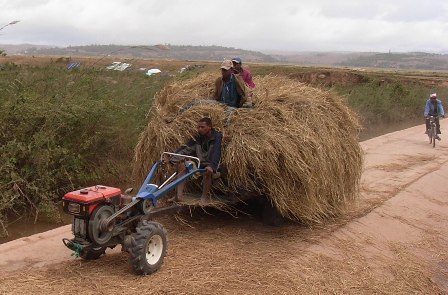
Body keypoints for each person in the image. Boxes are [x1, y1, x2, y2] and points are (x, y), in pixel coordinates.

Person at [166, 117, 222, 204]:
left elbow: (216, 152)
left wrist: (212, 166)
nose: (200, 129)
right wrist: (171, 159)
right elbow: (185, 149)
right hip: (199, 162)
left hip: (210, 163)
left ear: (209, 127)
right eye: (198, 127)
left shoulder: (216, 137)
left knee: (208, 171)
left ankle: (204, 197)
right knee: (181, 165)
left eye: (202, 127)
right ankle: (178, 196)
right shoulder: (198, 138)